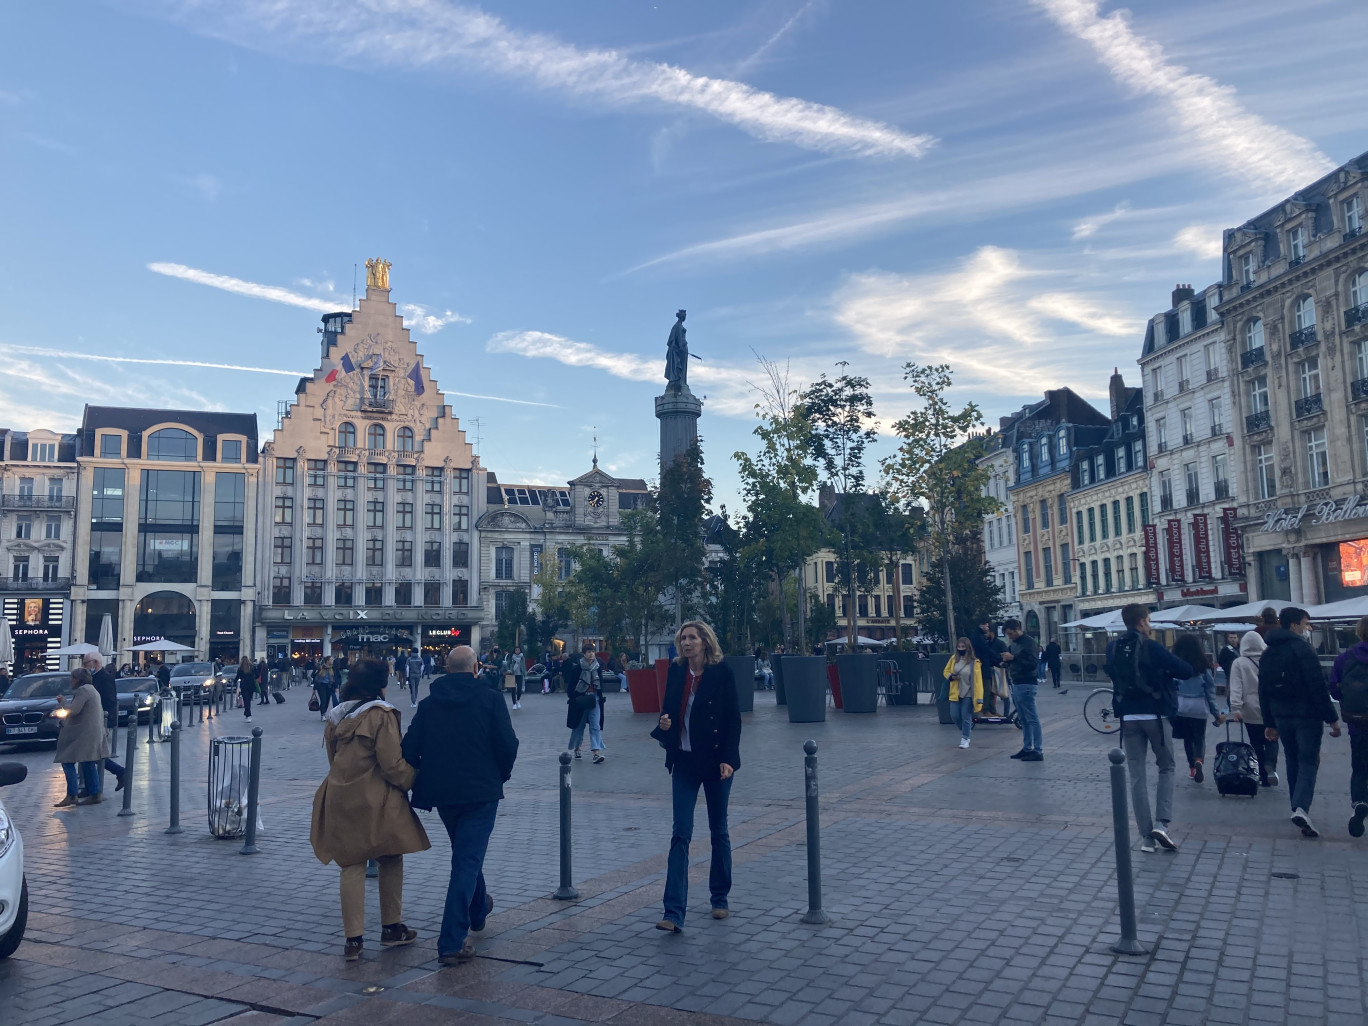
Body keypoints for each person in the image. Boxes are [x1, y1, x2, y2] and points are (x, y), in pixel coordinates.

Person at [402, 646, 518, 966]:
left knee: (466, 855)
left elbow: (409, 749)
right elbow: (508, 744)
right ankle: (451, 940)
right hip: (481, 792)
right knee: (466, 860)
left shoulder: (429, 704)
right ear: (476, 668)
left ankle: (478, 909)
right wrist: (500, 775)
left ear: (447, 669)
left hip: (443, 794)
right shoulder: (491, 699)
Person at [310, 657, 429, 961]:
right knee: (390, 856)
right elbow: (391, 763)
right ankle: (391, 927)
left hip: (339, 795)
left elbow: (333, 757)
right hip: (376, 798)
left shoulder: (336, 715)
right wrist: (414, 779)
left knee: (351, 865)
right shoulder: (380, 714)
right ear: (380, 683)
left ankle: (353, 941)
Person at [650, 621, 742, 932]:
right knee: (681, 833)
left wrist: (729, 759)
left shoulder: (721, 672)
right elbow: (668, 712)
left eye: (692, 638)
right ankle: (673, 912)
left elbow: (733, 718)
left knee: (719, 830)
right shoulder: (677, 670)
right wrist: (664, 724)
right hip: (685, 762)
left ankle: (719, 897)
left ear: (705, 642)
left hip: (716, 763)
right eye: (683, 638)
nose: (686, 643)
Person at [1106, 604, 1194, 853]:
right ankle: (1161, 824)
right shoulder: (1151, 646)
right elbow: (1185, 671)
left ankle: (1146, 838)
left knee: (1136, 775)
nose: (1150, 624)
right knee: (1166, 766)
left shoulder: (1112, 647)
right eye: (1149, 620)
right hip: (1155, 715)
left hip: (1128, 717)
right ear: (1142, 621)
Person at [1258, 606, 1342, 838]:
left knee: (1293, 758)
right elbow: (1317, 686)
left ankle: (1296, 806)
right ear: (1294, 625)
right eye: (1305, 624)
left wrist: (1269, 722)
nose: (1307, 628)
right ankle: (1302, 807)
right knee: (1308, 760)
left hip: (1281, 715)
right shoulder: (1302, 649)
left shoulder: (1269, 651)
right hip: (1307, 715)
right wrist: (1332, 719)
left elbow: (1262, 689)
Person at [1326, 614, 1368, 838]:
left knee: (1360, 768)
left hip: (1358, 722)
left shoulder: (1346, 658)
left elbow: (1333, 688)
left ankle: (1360, 801)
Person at [1170, 634, 1224, 784]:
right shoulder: (1203, 666)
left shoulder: (1177, 664)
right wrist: (1216, 713)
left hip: (1181, 706)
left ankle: (1192, 768)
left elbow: (1172, 687)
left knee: (1188, 738)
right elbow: (1210, 692)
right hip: (1199, 706)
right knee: (1199, 737)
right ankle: (1199, 759)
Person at [52, 668, 110, 807]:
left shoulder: (83, 690)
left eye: (72, 678)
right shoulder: (92, 689)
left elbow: (74, 710)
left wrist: (63, 702)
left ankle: (72, 795)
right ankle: (95, 793)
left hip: (82, 734)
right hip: (92, 732)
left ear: (78, 679)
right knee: (87, 762)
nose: (71, 681)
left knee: (67, 760)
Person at [1228, 631, 1278, 788]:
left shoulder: (1239, 662)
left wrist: (1236, 707)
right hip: (1271, 706)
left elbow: (1236, 686)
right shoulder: (1270, 659)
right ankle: (1271, 765)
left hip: (1249, 709)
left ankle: (1262, 775)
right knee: (1272, 738)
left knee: (1256, 742)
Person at [1000, 619, 1042, 761]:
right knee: (1023, 719)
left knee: (1032, 718)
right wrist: (1006, 662)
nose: (1009, 637)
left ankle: (1037, 750)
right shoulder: (1014, 644)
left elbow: (1033, 664)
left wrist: (1014, 658)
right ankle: (1027, 747)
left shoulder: (1029, 642)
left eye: (1011, 633)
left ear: (1018, 629)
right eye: (1007, 634)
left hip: (1027, 682)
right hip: (1017, 682)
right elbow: (1015, 660)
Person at [83, 654, 126, 789]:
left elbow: (110, 700)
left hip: (100, 719)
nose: (84, 666)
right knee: (93, 754)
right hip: (93, 719)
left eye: (86, 663)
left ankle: (94, 787)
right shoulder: (91, 678)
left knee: (92, 754)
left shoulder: (105, 678)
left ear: (95, 662)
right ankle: (92, 787)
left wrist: (105, 718)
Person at [566, 642, 605, 762]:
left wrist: (600, 696)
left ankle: (596, 752)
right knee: (579, 725)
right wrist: (573, 699)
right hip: (581, 699)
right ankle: (577, 748)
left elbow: (600, 684)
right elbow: (571, 685)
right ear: (584, 654)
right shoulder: (578, 668)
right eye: (589, 652)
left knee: (595, 725)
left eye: (593, 652)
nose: (591, 654)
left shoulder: (597, 668)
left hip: (594, 699)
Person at [941, 638, 983, 749]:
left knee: (966, 716)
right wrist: (951, 676)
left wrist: (979, 698)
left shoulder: (975, 662)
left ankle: (965, 738)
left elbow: (978, 682)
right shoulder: (953, 659)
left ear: (968, 648)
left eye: (963, 647)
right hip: (955, 692)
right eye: (959, 647)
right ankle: (966, 730)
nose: (960, 649)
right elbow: (946, 671)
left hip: (969, 693)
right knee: (954, 715)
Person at [971, 620, 1005, 715]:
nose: (987, 628)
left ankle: (991, 709)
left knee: (990, 689)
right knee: (987, 688)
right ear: (981, 625)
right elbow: (986, 650)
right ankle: (986, 710)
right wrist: (999, 657)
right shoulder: (979, 637)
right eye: (986, 626)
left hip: (985, 665)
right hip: (983, 666)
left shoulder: (979, 637)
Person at [505, 645, 526, 710]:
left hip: (520, 674)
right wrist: (508, 670)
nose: (517, 651)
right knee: (513, 689)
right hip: (512, 674)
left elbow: (524, 666)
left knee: (519, 688)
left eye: (518, 650)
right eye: (516, 650)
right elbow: (507, 664)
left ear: (520, 651)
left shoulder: (522, 657)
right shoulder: (511, 657)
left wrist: (525, 674)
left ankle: (518, 700)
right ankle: (514, 703)